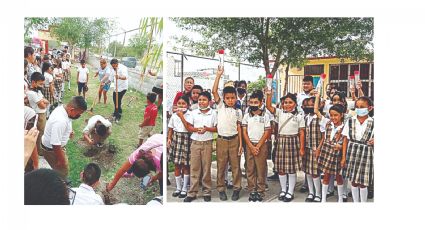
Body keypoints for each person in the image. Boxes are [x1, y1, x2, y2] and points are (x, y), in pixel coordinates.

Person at [266, 90, 305, 202]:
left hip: (293, 142)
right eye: (285, 102)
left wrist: (302, 148)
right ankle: (283, 190)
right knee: (281, 169)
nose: (287, 104)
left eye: (290, 102)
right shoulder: (279, 112)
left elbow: (302, 132)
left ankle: (290, 191)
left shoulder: (299, 116)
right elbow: (268, 106)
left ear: (295, 104)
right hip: (281, 142)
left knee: (291, 170)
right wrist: (269, 95)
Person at [178, 91, 217, 202]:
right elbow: (189, 127)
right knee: (194, 168)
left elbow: (216, 128)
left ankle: (206, 191)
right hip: (195, 143)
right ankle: (192, 192)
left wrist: (207, 129)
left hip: (207, 143)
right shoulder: (193, 112)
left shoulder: (213, 113)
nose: (201, 102)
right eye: (200, 100)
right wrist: (197, 130)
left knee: (206, 168)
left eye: (204, 100)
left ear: (209, 101)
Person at [212, 66, 243, 201]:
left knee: (236, 166)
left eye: (233, 98)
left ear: (236, 98)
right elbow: (214, 91)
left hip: (235, 140)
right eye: (228, 98)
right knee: (221, 165)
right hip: (222, 141)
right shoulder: (220, 106)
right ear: (224, 98)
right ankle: (221, 188)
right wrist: (218, 75)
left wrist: (241, 144)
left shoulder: (238, 111)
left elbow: (240, 128)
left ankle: (237, 188)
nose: (230, 100)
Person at [40, 96, 87, 179]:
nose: (79, 116)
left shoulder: (62, 109)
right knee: (62, 171)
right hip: (52, 151)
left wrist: (68, 131)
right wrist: (61, 160)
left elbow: (66, 122)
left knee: (59, 170)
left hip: (52, 148)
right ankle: (61, 182)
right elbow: (55, 144)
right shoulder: (60, 121)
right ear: (72, 109)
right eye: (78, 113)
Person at [341, 97, 374, 202]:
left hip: (366, 153)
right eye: (357, 107)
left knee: (363, 182)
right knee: (354, 181)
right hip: (352, 152)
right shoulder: (351, 121)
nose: (359, 109)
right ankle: (355, 202)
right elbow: (345, 139)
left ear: (370, 108)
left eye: (362, 107)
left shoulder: (373, 122)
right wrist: (343, 157)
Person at [241, 90, 271, 202]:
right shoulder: (246, 116)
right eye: (251, 102)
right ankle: (252, 190)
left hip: (261, 145)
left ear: (261, 102)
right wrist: (251, 146)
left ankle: (260, 191)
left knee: (261, 168)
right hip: (249, 145)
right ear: (249, 102)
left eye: (256, 102)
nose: (253, 104)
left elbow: (267, 132)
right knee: (250, 168)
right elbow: (244, 132)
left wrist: (258, 146)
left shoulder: (265, 116)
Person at [316, 104, 346, 202]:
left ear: (341, 115)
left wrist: (342, 153)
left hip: (338, 154)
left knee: (339, 176)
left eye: (336, 115)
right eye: (331, 115)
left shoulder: (345, 126)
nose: (333, 117)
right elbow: (324, 138)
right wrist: (318, 149)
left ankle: (340, 198)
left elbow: (346, 141)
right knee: (326, 175)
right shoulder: (328, 124)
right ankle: (323, 198)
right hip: (327, 152)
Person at [168, 95, 192, 199]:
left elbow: (189, 127)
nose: (181, 105)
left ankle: (185, 188)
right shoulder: (174, 115)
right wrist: (169, 138)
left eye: (183, 103)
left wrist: (182, 116)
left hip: (186, 139)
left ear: (188, 104)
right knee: (177, 165)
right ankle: (178, 187)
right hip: (176, 139)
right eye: (179, 103)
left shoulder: (190, 115)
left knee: (185, 165)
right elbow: (171, 129)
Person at [302, 95, 324, 202]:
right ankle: (311, 192)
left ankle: (318, 194)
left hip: (316, 148)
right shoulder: (306, 117)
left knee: (315, 172)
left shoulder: (321, 118)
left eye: (312, 105)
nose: (309, 107)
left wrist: (319, 148)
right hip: (307, 148)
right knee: (308, 172)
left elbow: (324, 135)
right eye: (307, 105)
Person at [27, 72, 50, 171]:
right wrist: (43, 101)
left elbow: (46, 101)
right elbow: (43, 105)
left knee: (42, 132)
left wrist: (43, 101)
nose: (41, 86)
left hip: (43, 114)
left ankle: (38, 151)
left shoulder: (37, 91)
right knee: (39, 134)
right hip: (39, 115)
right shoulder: (31, 93)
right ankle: (38, 152)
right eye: (40, 84)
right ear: (33, 82)